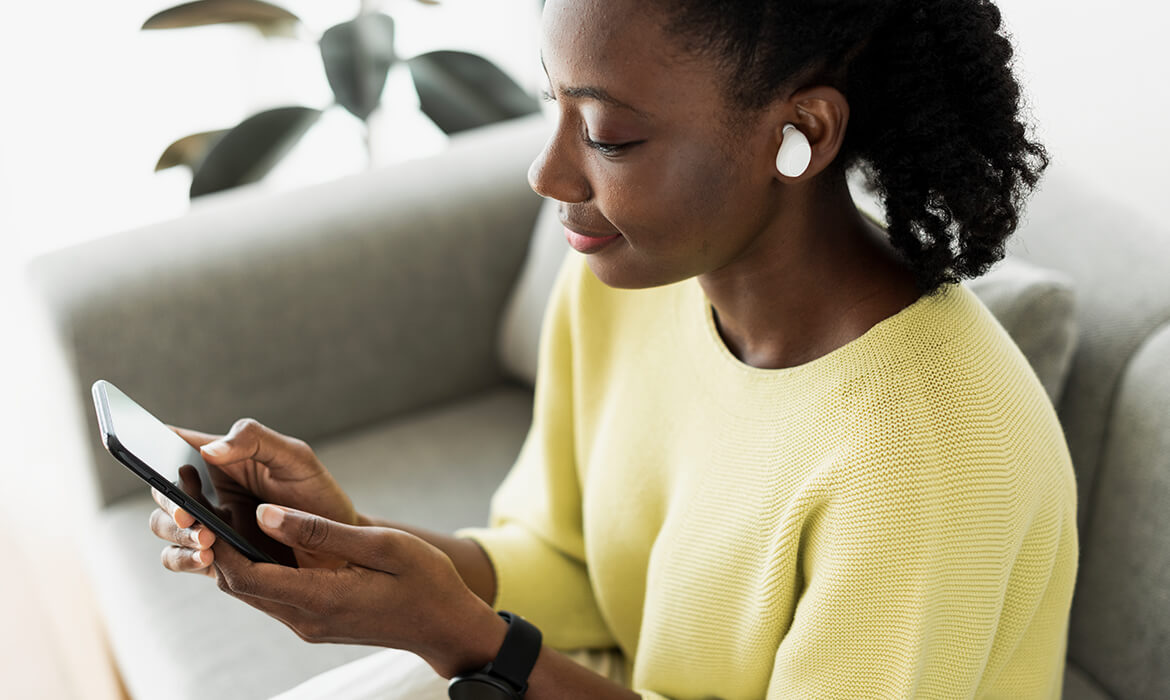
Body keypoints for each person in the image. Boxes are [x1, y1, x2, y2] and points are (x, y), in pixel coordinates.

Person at [148, 0, 1077, 697]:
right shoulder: (630, 283)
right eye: (552, 103)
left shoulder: (936, 452)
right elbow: (565, 559)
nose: (546, 173)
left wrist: (472, 642)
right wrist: (363, 557)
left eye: (606, 134)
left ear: (803, 130)